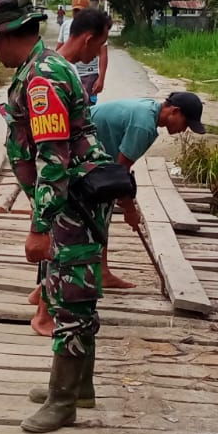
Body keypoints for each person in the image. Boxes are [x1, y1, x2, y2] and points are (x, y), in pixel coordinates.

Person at [0, 0, 109, 434]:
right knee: (70, 291)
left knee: (71, 296)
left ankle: (63, 401)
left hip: (71, 201)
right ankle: (78, 388)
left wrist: (39, 228)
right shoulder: (41, 69)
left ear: (4, 36)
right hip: (72, 200)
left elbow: (54, 159)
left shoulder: (42, 80)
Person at [27, 92, 204, 312]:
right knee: (72, 226)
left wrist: (125, 203)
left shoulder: (149, 109)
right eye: (186, 123)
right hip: (74, 158)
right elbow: (119, 174)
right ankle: (42, 291)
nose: (183, 130)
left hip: (90, 158)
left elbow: (117, 172)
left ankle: (102, 271)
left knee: (102, 214)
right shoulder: (144, 126)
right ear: (174, 111)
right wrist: (130, 210)